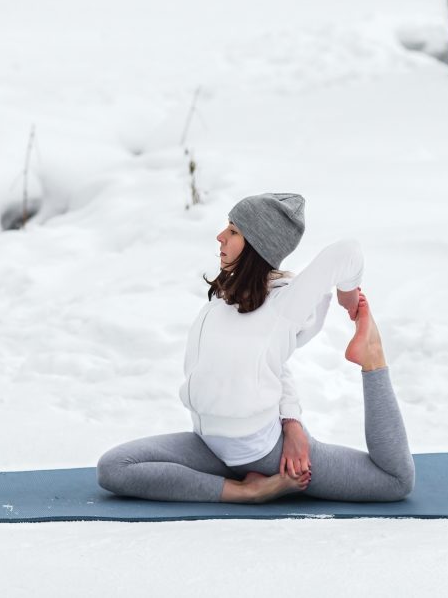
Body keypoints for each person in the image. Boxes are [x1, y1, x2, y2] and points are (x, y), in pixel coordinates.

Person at [97, 193, 414, 503]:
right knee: (114, 468)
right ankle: (246, 491)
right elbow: (268, 362)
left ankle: (373, 357)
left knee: (394, 481)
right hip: (211, 445)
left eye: (233, 232)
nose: (220, 237)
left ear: (257, 246)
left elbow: (347, 252)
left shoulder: (284, 305)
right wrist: (291, 419)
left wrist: (348, 293)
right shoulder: (225, 299)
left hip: (266, 454)